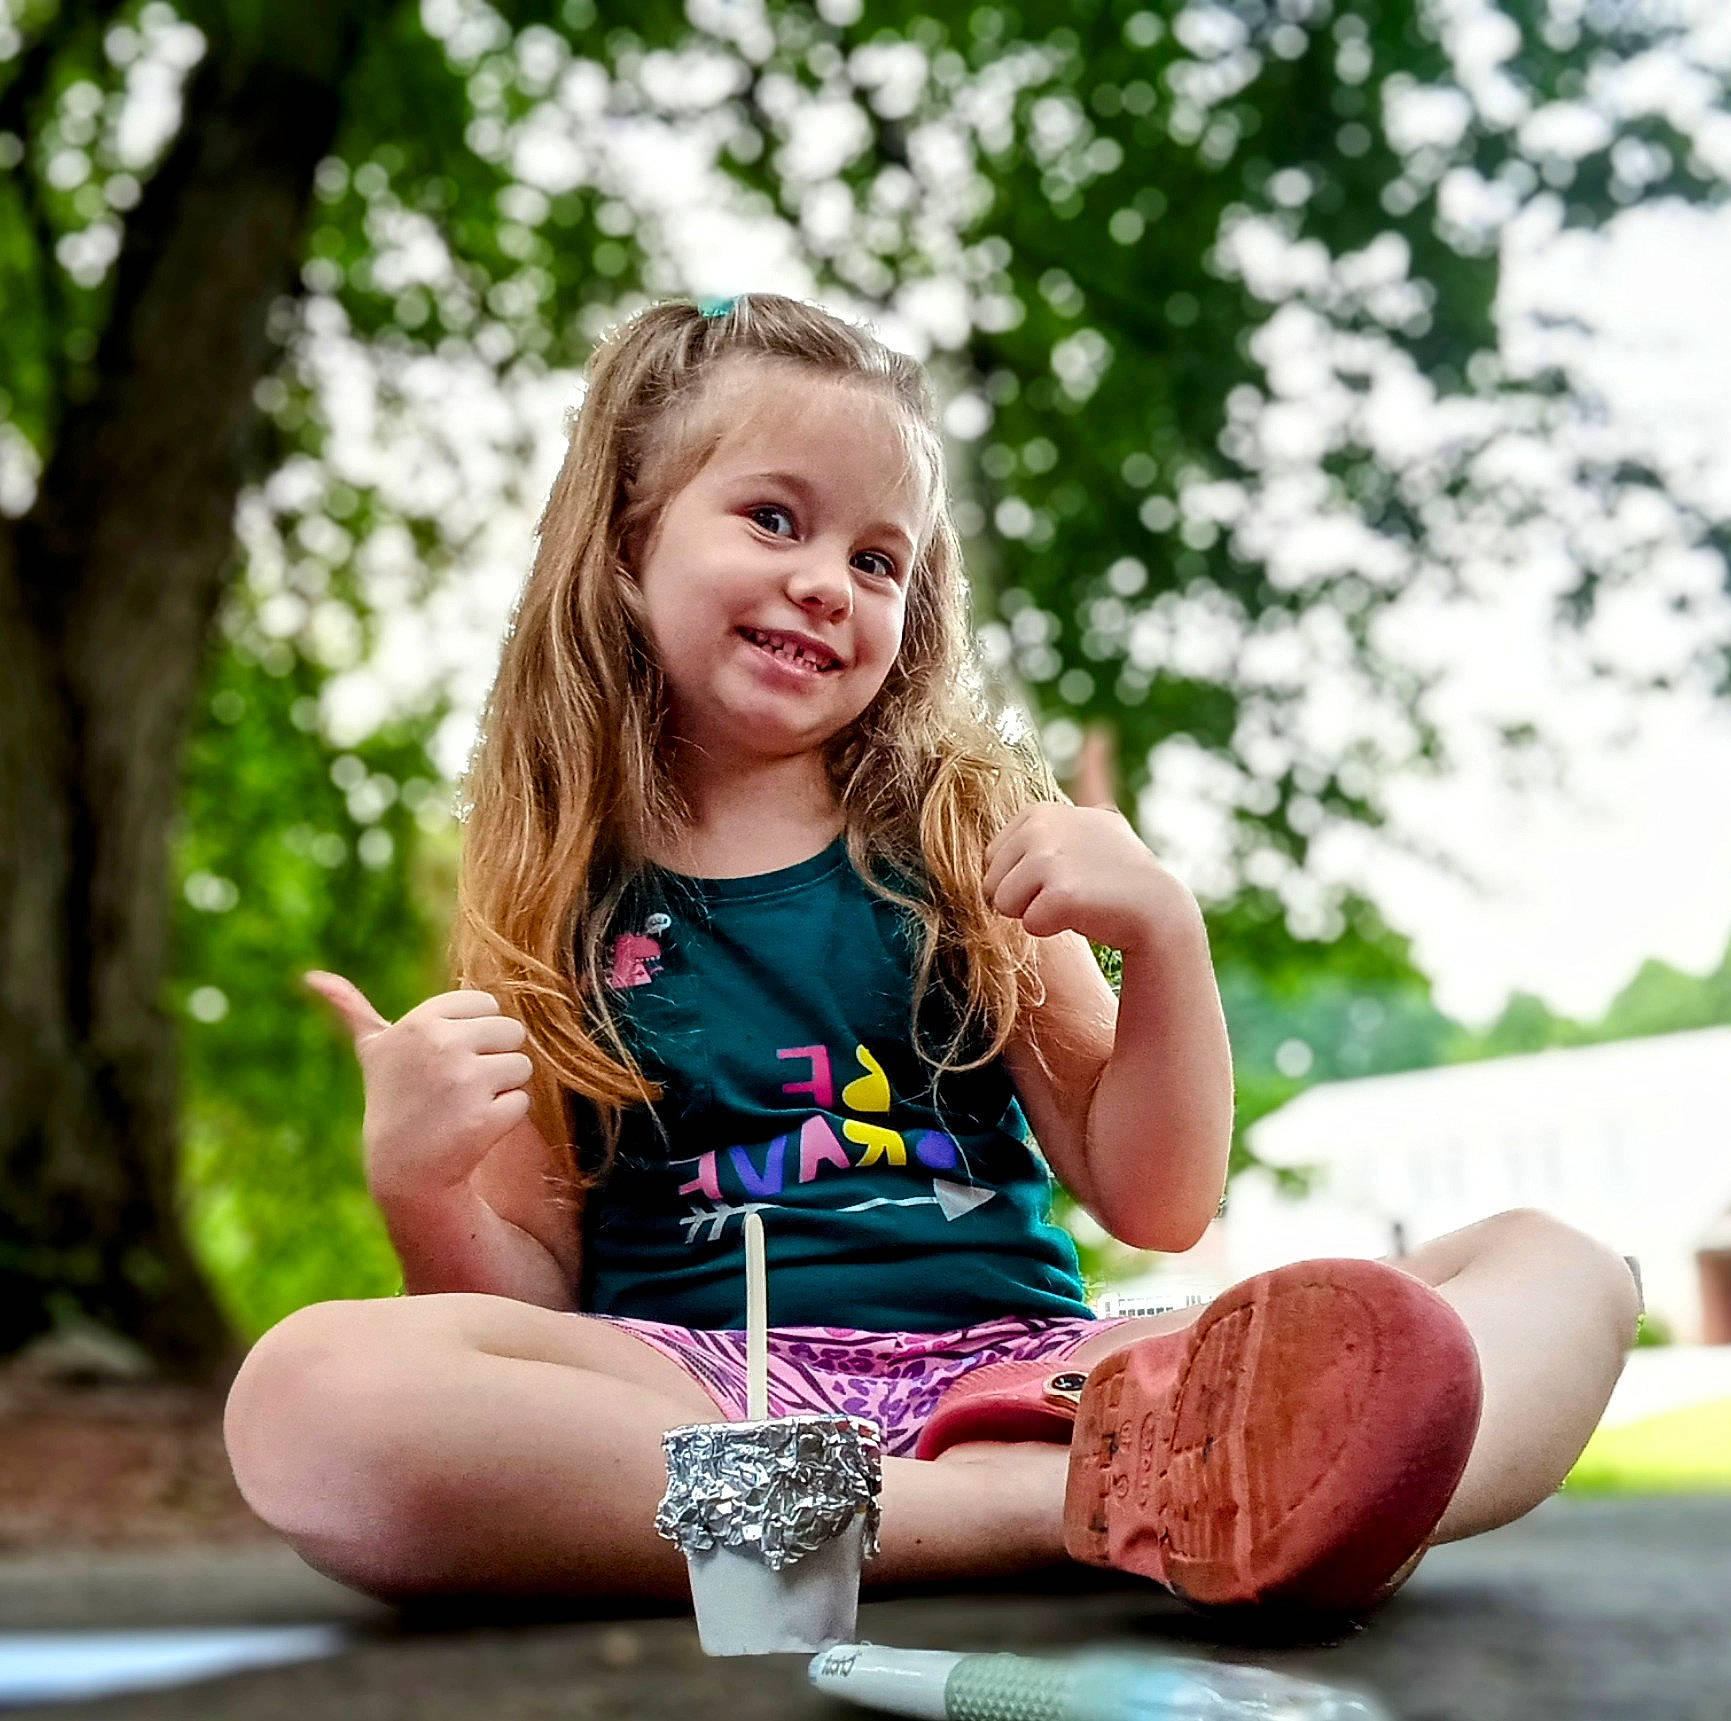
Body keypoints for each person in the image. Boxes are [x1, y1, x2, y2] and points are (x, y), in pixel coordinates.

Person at [223, 294, 1640, 1618]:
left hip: (1027, 1376)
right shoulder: (548, 886)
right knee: (311, 1398)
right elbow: (523, 1304)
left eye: (876, 557)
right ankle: (1036, 1518)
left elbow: (1156, 1192)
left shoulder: (971, 834)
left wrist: (1166, 936)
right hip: (712, 1391)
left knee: (1562, 1266)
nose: (827, 581)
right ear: (626, 540)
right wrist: (419, 1181)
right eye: (774, 517)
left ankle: (1028, 1486)